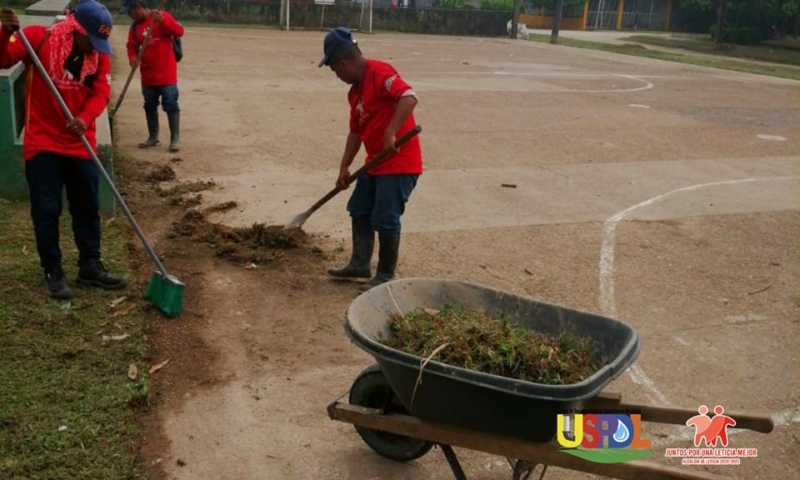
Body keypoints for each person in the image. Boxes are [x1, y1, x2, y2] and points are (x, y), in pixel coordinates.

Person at [0, 1, 128, 300]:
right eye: (91, 39)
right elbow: (4, 60)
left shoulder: (98, 54)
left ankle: (90, 266)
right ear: (75, 28)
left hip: (80, 143)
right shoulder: (36, 38)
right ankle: (53, 271)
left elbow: (101, 92)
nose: (95, 47)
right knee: (46, 210)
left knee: (87, 206)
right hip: (43, 142)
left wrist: (85, 118)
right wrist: (4, 34)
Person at [319, 27, 422, 292]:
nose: (337, 76)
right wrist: (344, 165)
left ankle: (386, 275)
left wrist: (391, 132)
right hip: (375, 163)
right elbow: (356, 131)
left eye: (334, 71)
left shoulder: (380, 73)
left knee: (385, 217)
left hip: (399, 164)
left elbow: (409, 98)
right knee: (360, 208)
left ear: (343, 63)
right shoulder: (355, 92)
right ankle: (360, 263)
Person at [120, 0, 184, 152]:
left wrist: (163, 20)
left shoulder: (160, 17)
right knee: (149, 105)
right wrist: (132, 58)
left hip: (166, 75)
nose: (130, 16)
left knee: (171, 105)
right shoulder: (135, 27)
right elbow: (130, 45)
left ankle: (175, 138)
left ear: (138, 7)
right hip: (148, 76)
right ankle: (153, 137)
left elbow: (179, 31)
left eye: (130, 12)